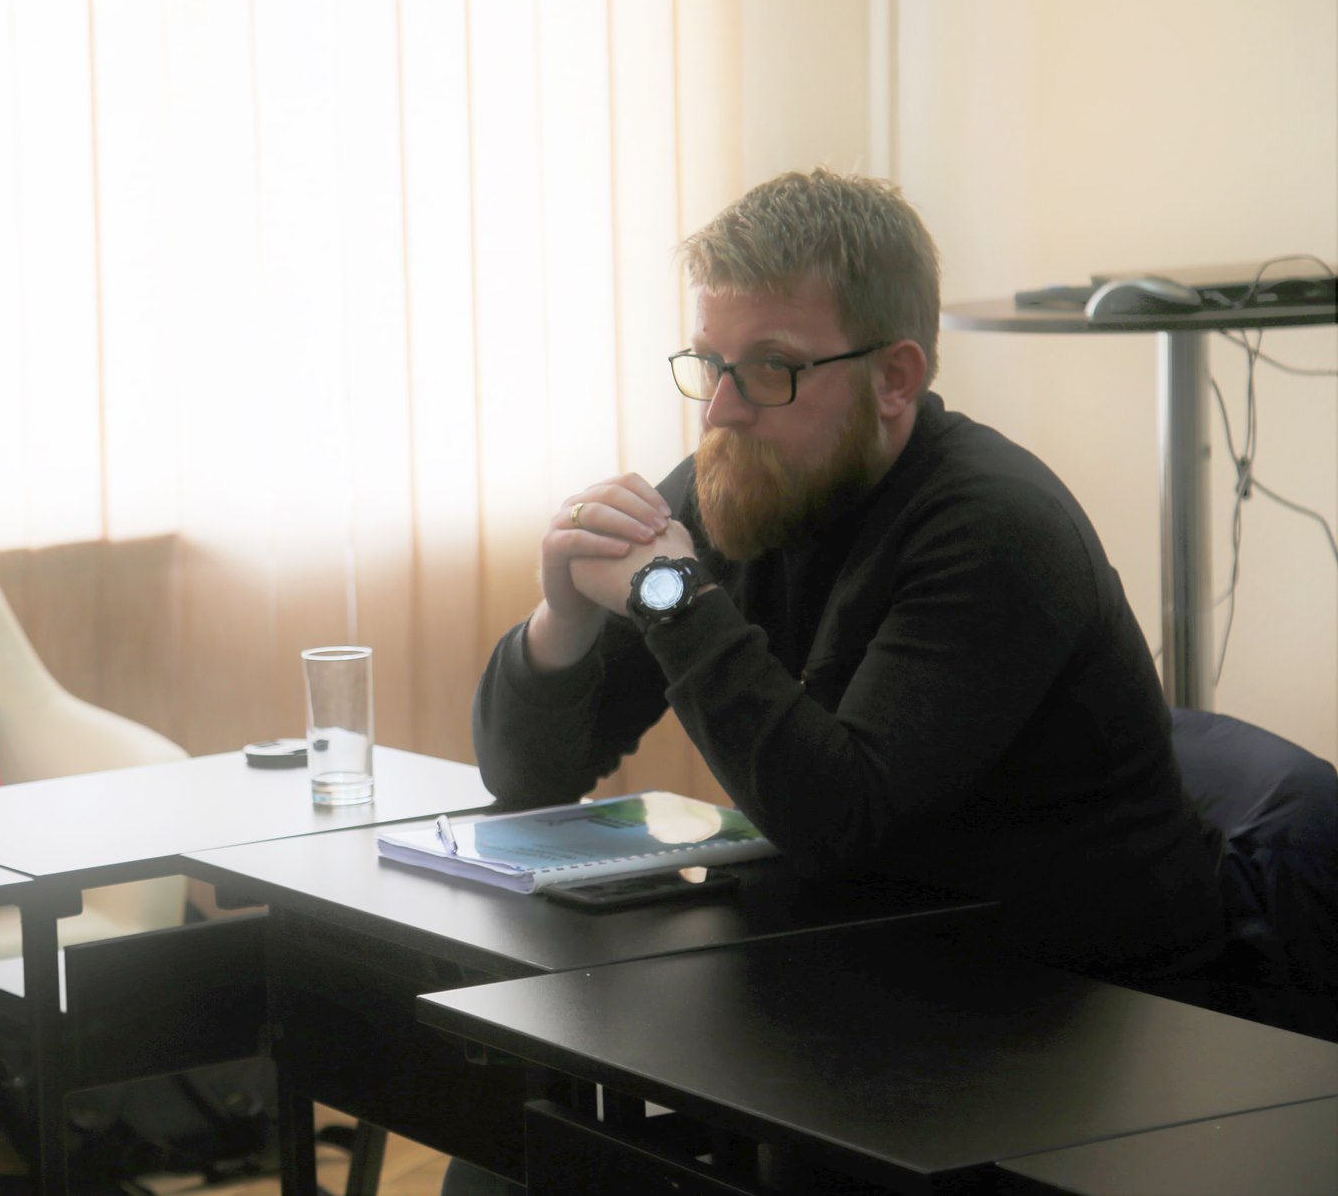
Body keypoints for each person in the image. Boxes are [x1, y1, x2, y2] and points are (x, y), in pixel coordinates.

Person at [446, 170, 1233, 1196]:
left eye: (769, 368)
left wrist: (672, 596)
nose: (721, 409)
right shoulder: (741, 479)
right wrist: (562, 619)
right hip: (858, 969)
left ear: (894, 377)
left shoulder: (993, 527)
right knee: (512, 1154)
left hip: (1067, 1020)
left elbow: (839, 814)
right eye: (709, 363)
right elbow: (525, 777)